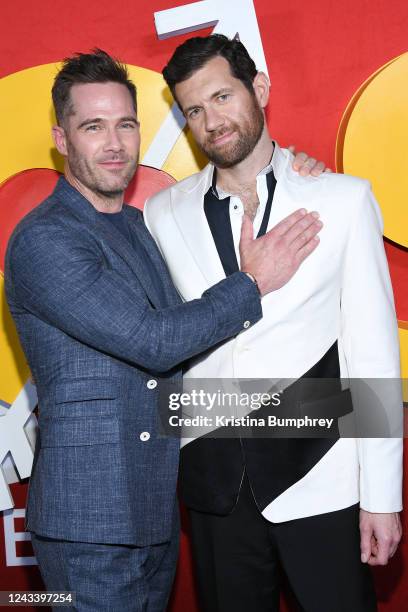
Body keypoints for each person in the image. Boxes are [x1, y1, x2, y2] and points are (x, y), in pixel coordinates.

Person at [4, 49, 323, 611]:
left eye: (126, 125)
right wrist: (252, 282)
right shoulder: (44, 240)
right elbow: (155, 343)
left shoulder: (136, 224)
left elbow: (191, 332)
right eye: (93, 127)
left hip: (151, 510)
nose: (114, 143)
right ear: (61, 138)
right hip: (87, 525)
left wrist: (293, 176)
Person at [144, 35, 403, 612]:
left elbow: (374, 353)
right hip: (214, 484)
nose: (212, 121)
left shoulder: (342, 199)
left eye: (222, 96)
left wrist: (381, 497)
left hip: (323, 477)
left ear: (258, 89)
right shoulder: (163, 212)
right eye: (194, 110)